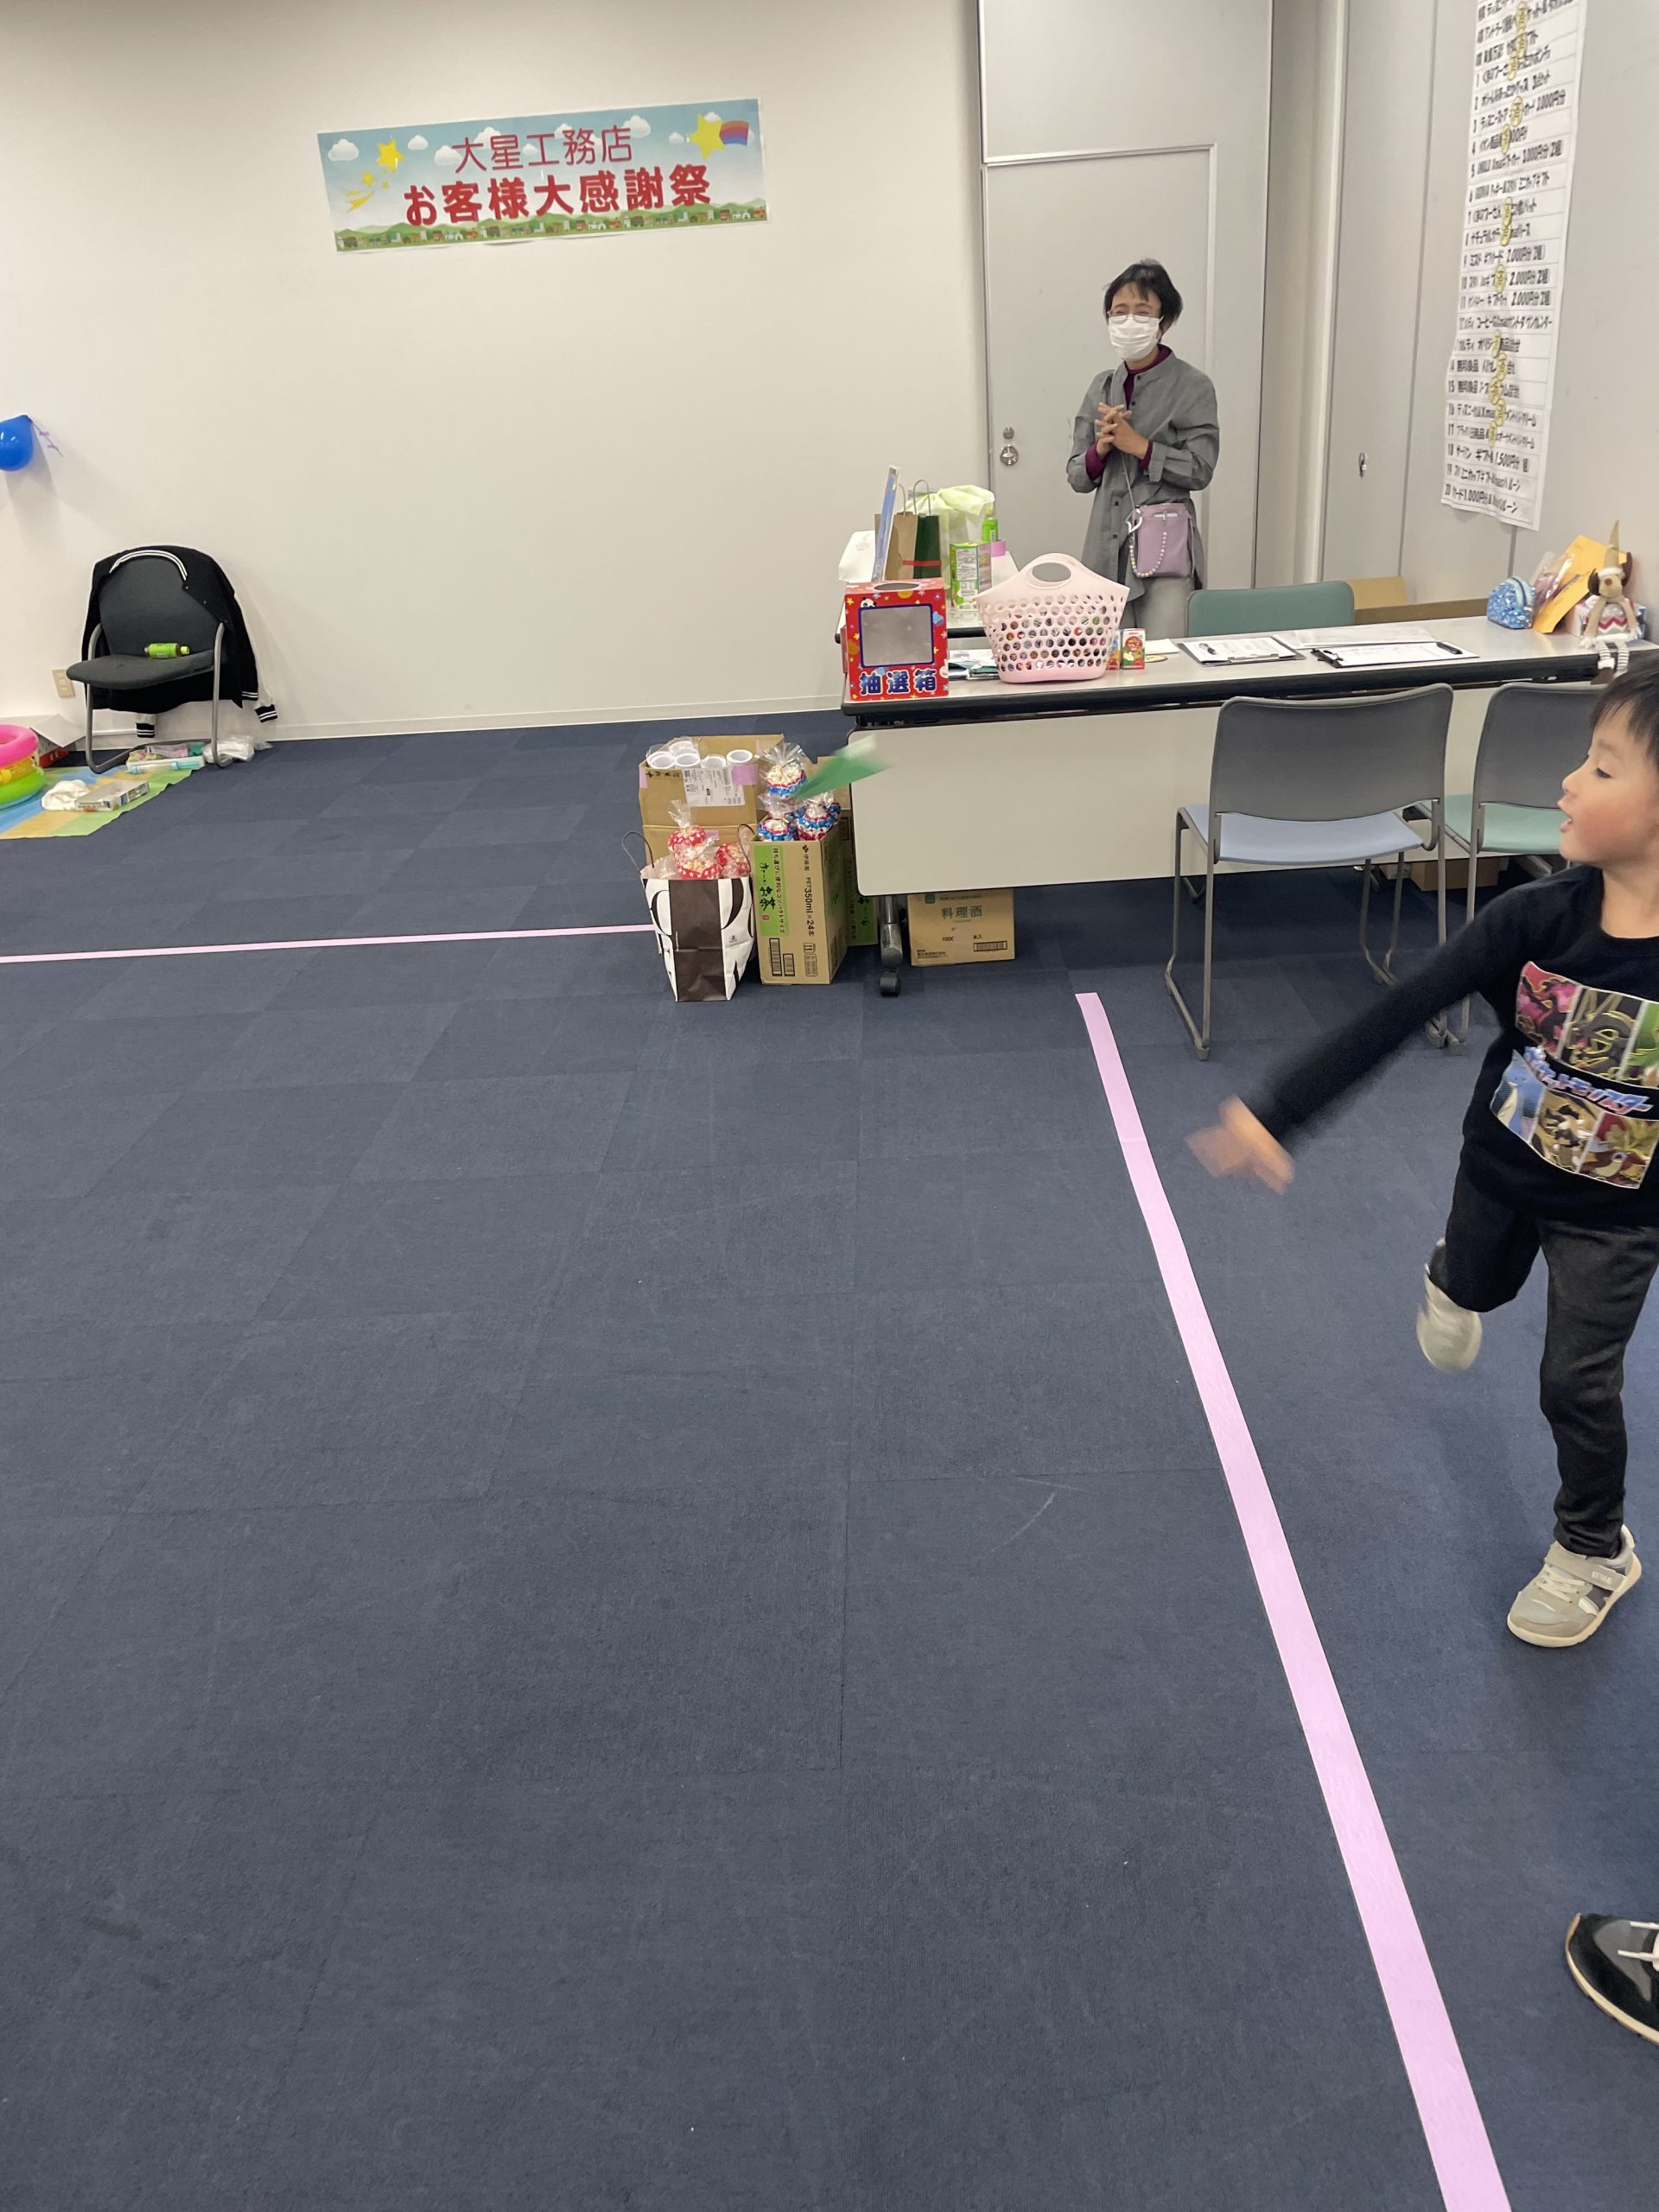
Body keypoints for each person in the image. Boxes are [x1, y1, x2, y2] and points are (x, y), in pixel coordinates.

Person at [1191, 654, 1659, 1650]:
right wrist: (1280, 1110)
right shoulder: (1534, 917)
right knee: (1475, 1289)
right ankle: (1451, 1275)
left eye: (1604, 767)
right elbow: (1404, 1009)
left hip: (1621, 1219)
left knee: (1576, 1382)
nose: (1569, 781)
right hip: (1500, 1170)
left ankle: (1593, 1548)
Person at [1066, 260, 1218, 639]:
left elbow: (1200, 469)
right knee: (1105, 658)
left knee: (1166, 657)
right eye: (1119, 312)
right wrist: (1100, 450)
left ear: (1164, 322)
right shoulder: (1102, 386)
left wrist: (1141, 447)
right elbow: (1077, 476)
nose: (1129, 321)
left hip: (1164, 550)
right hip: (1105, 548)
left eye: (1142, 312)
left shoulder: (1192, 386)